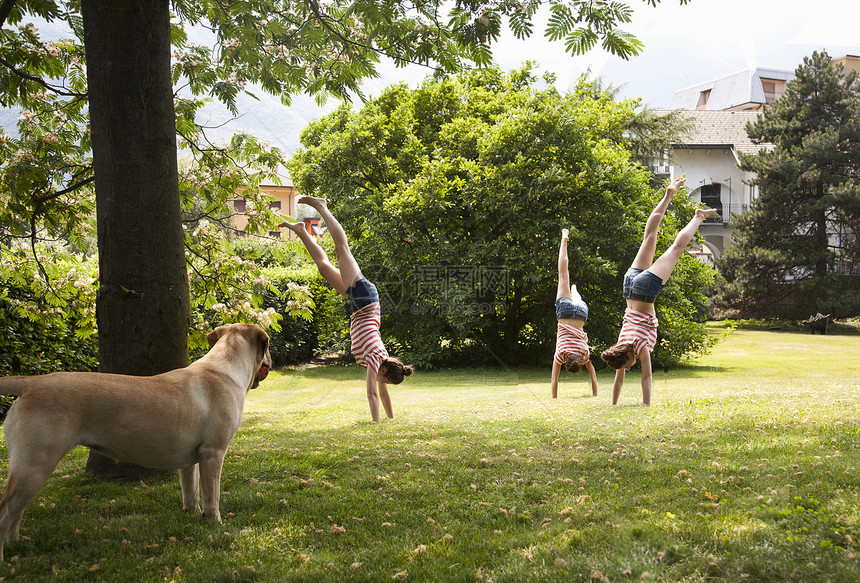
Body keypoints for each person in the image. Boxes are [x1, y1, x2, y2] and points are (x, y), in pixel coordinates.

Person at [284, 196, 414, 423]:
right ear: (383, 372)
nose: (380, 384)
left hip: (359, 302)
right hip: (365, 298)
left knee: (324, 268)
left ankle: (301, 231)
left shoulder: (381, 362)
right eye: (383, 381)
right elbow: (372, 394)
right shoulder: (376, 359)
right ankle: (322, 206)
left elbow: (382, 393)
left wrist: (391, 420)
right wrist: (376, 424)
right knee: (341, 249)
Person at [600, 177, 716, 406]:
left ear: (627, 357)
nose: (628, 368)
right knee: (649, 236)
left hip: (644, 291)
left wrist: (646, 406)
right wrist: (613, 405)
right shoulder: (621, 342)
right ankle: (668, 195)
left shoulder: (639, 348)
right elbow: (619, 378)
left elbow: (647, 376)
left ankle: (698, 217)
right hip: (629, 287)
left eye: (627, 365)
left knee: (676, 248)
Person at [551, 228, 599, 398]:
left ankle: (575, 293)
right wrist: (554, 398)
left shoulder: (584, 354)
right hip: (564, 313)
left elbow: (593, 374)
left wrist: (595, 394)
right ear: (566, 363)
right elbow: (554, 381)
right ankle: (564, 241)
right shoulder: (560, 354)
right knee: (563, 274)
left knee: (577, 299)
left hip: (580, 314)